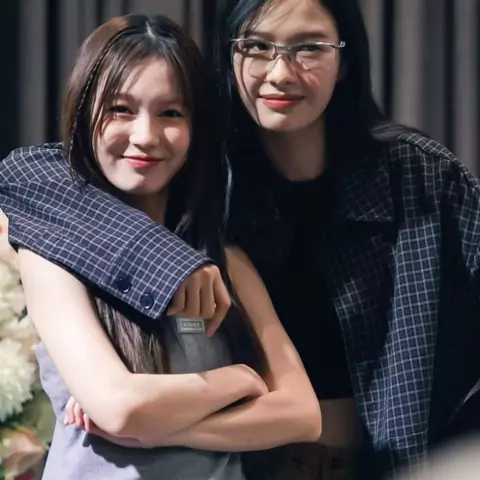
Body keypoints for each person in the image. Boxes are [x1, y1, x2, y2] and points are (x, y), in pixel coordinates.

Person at [1, 0, 479, 478]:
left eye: (309, 47)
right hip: (258, 465)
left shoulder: (419, 177)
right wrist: (163, 258)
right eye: (257, 46)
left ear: (346, 59)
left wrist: (156, 426)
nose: (280, 73)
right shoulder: (212, 177)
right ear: (230, 56)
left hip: (391, 463)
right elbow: (27, 175)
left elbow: (297, 411)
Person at [12, 13, 322, 480]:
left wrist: (161, 429)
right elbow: (120, 407)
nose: (145, 136)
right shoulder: (52, 257)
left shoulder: (225, 260)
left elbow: (302, 414)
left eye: (171, 114)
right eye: (120, 110)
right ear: (84, 114)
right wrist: (238, 381)